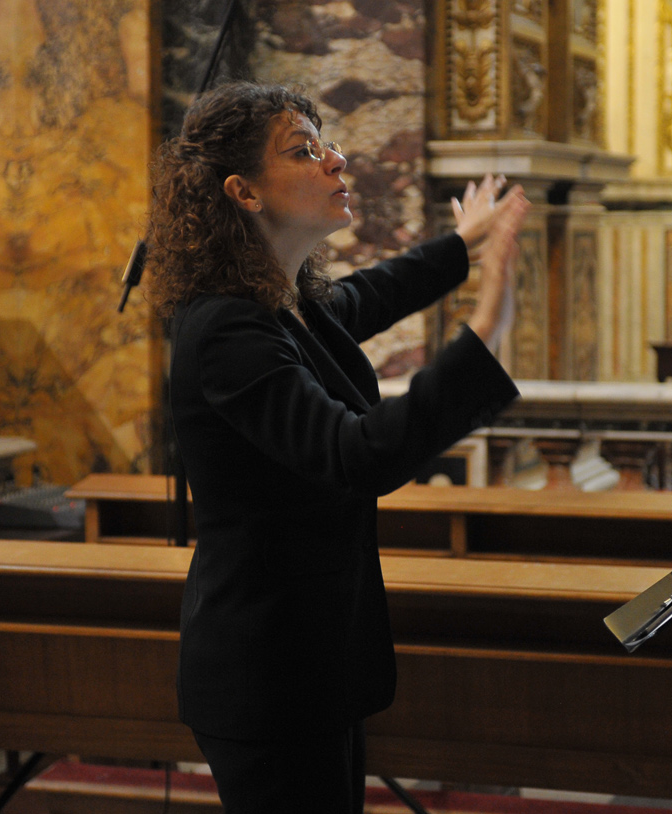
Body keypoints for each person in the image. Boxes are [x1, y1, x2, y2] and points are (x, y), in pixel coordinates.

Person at [146, 82, 529, 811]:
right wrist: (485, 331)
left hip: (309, 664)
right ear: (244, 192)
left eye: (326, 144)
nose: (336, 159)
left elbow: (370, 295)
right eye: (304, 150)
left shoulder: (282, 304)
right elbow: (355, 457)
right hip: (266, 676)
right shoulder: (226, 327)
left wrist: (462, 245)